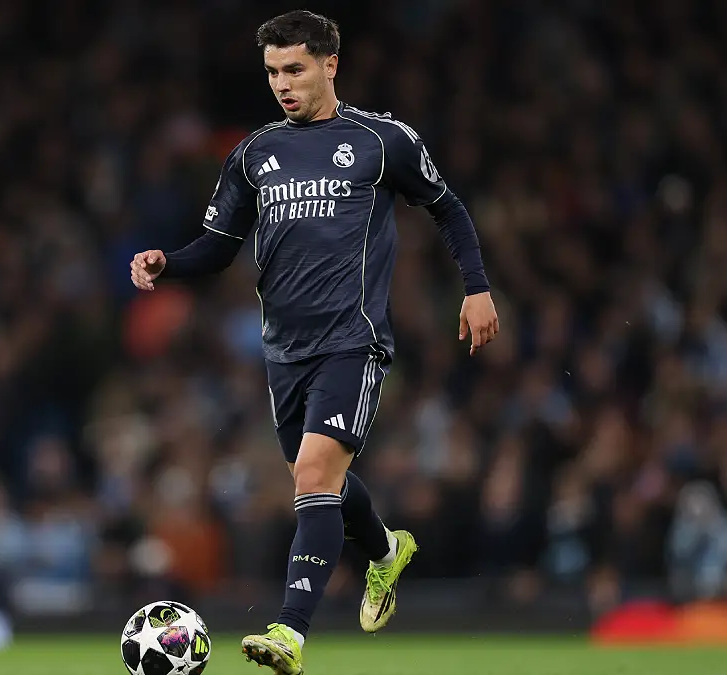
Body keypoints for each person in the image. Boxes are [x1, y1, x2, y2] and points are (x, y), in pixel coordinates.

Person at [129, 10, 499, 674]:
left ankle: (290, 632)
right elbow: (218, 246)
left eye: (295, 69)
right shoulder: (253, 154)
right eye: (272, 72)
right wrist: (169, 263)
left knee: (312, 476)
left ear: (331, 65)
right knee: (321, 482)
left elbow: (447, 206)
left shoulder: (381, 140)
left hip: (353, 341)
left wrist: (476, 287)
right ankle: (385, 551)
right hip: (283, 350)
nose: (282, 84)